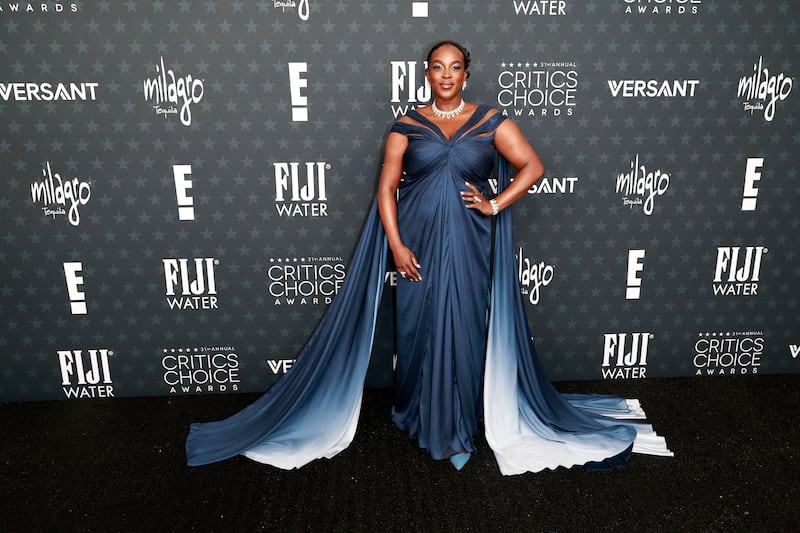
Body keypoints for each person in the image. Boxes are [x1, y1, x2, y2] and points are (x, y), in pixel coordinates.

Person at [185, 40, 671, 474]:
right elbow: (386, 189)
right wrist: (396, 245)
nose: (445, 74)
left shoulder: (489, 121)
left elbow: (533, 166)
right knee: (417, 327)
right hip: (414, 242)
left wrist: (495, 203)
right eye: (437, 67)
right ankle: (416, 412)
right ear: (426, 73)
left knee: (461, 326)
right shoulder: (406, 125)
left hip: (469, 240)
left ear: (466, 74)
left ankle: (456, 425)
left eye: (454, 67)